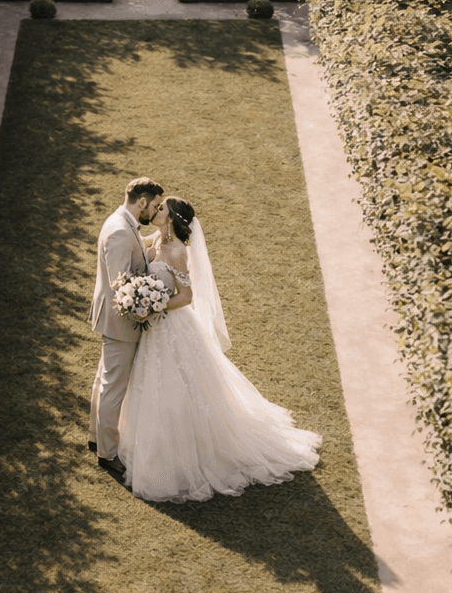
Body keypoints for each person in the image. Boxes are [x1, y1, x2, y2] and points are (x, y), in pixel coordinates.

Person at [118, 195, 322, 503]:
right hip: (156, 330)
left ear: (171, 219)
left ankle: (183, 455)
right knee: (152, 387)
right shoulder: (156, 240)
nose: (156, 211)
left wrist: (154, 306)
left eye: (162, 209)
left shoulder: (176, 251)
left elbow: (186, 296)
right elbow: (138, 246)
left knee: (177, 389)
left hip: (171, 326)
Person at [89, 177, 165, 483]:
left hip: (112, 319)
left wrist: (151, 250)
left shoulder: (124, 222)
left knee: (103, 380)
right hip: (120, 323)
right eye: (156, 205)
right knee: (113, 388)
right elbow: (122, 284)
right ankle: (107, 454)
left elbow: (134, 254)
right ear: (142, 202)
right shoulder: (121, 231)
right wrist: (151, 298)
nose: (156, 211)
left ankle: (96, 437)